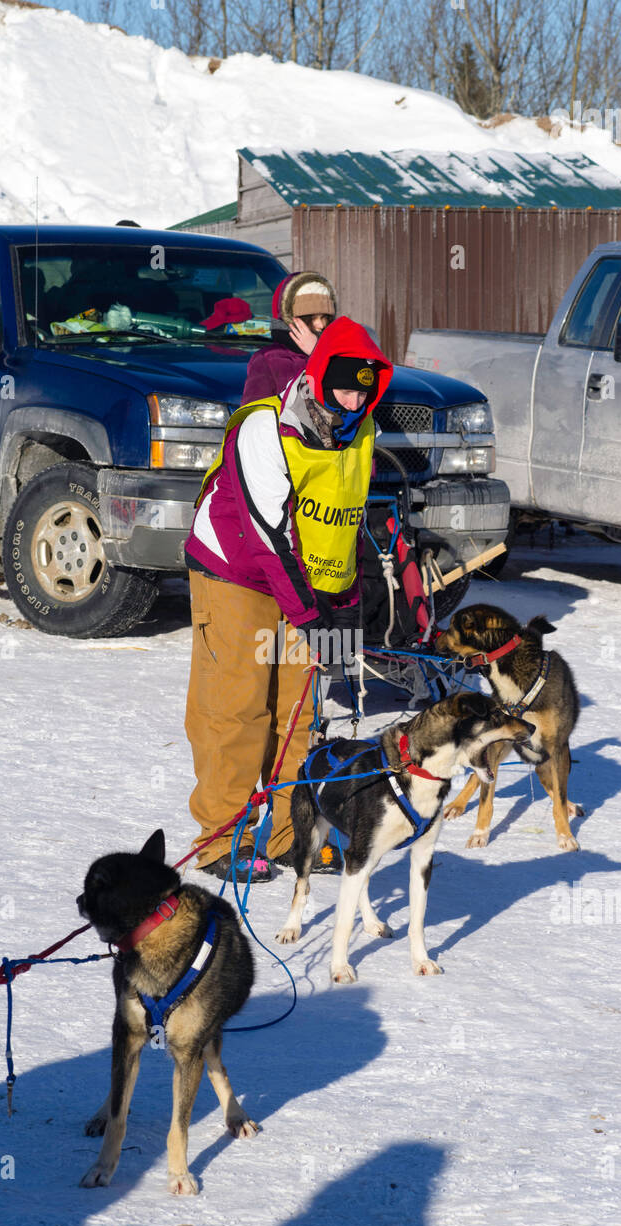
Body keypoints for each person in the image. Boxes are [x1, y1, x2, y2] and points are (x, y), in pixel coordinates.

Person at [184, 317, 393, 882]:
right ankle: (219, 840)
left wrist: (344, 612)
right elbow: (268, 534)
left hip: (302, 580)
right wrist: (310, 617)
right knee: (239, 705)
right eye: (345, 385)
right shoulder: (263, 427)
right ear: (319, 376)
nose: (354, 399)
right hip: (236, 567)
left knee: (298, 713)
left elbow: (341, 526)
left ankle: (286, 833)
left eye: (365, 389)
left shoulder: (360, 429)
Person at [242, 271, 337, 404]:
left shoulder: (338, 354)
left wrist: (318, 354)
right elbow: (253, 413)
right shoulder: (269, 359)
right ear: (291, 319)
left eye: (325, 317)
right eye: (312, 318)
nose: (320, 325)